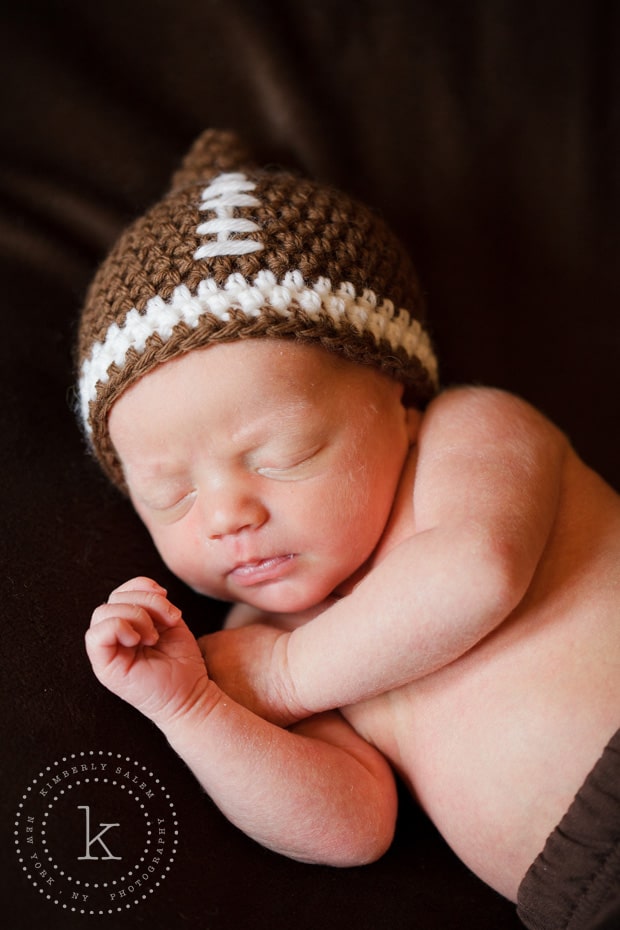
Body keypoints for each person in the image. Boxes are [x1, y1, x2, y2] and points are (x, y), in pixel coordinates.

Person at [77, 129, 620, 930]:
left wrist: (284, 677)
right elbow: (350, 827)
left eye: (282, 454)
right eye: (170, 494)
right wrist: (196, 712)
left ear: (397, 398)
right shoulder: (256, 632)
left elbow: (478, 570)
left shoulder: (470, 432)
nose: (227, 514)